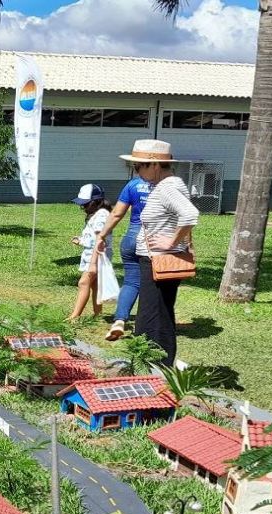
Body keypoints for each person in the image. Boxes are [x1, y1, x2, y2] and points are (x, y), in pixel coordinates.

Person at [118, 139, 199, 368]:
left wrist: (171, 241)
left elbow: (190, 214)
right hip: (159, 260)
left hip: (159, 260)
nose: (136, 171)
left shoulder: (167, 187)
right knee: (158, 314)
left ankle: (154, 367)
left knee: (151, 317)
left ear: (154, 165)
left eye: (138, 166)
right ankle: (157, 364)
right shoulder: (168, 185)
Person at [95, 168, 152, 340]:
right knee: (152, 286)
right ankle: (148, 326)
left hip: (130, 239)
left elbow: (117, 213)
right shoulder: (165, 185)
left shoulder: (133, 185)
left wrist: (102, 236)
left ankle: (119, 320)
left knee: (131, 282)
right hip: (153, 242)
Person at [68, 184, 114, 321]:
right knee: (94, 285)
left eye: (85, 204)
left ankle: (75, 316)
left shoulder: (101, 215)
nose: (82, 207)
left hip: (97, 255)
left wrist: (93, 263)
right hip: (93, 254)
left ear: (95, 202)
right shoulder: (97, 214)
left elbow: (100, 240)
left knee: (83, 283)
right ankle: (97, 314)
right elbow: (93, 238)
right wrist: (81, 240)